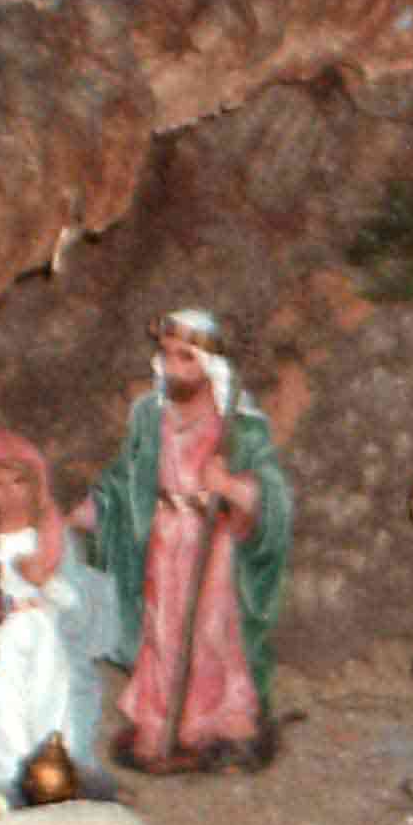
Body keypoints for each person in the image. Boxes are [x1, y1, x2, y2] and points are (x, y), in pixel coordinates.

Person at [82, 309, 293, 773]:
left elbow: (273, 493)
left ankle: (220, 722)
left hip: (213, 541)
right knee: (162, 629)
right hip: (163, 534)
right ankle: (163, 723)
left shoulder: (238, 425)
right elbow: (124, 478)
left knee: (211, 631)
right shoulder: (148, 415)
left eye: (186, 358)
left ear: (208, 365)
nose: (173, 366)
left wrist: (230, 487)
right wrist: (94, 510)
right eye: (167, 355)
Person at [0, 428, 121, 805]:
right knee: (1, 708)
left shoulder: (53, 537)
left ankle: (58, 776)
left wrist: (47, 583)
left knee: (52, 704)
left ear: (35, 482)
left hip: (46, 635)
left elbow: (75, 602)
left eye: (18, 481)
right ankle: (8, 785)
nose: (10, 494)